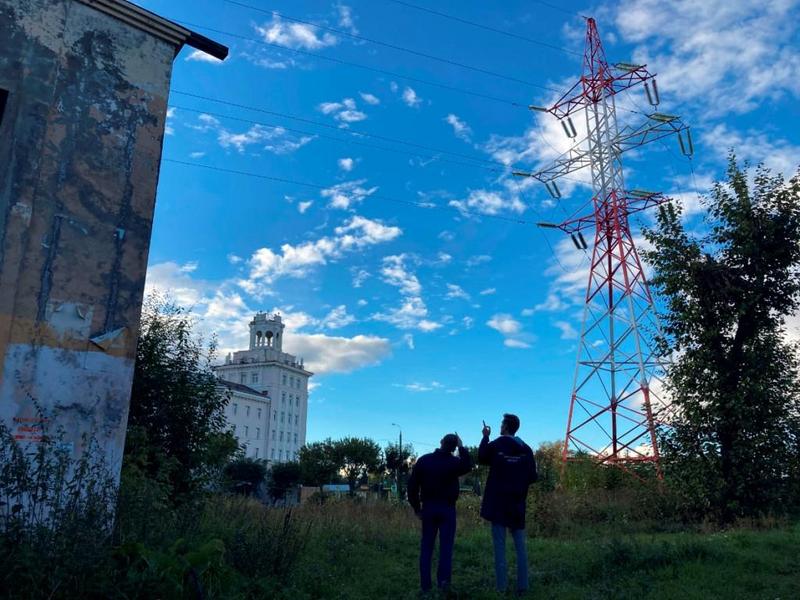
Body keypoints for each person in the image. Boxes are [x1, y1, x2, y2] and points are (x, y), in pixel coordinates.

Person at [478, 414, 538, 595]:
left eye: (501, 424)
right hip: (517, 504)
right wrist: (518, 484)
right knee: (521, 547)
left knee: (499, 547)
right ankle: (523, 587)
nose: (500, 427)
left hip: (497, 505)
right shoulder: (525, 449)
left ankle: (501, 588)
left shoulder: (496, 445)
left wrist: (485, 436)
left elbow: (481, 458)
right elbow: (533, 476)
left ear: (505, 427)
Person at [407, 433, 472, 593]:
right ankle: (444, 584)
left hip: (428, 508)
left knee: (427, 548)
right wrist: (462, 447)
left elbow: (412, 488)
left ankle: (425, 588)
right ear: (454, 447)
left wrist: (417, 508)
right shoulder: (455, 463)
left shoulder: (424, 461)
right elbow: (468, 464)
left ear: (441, 442)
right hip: (448, 509)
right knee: (446, 549)